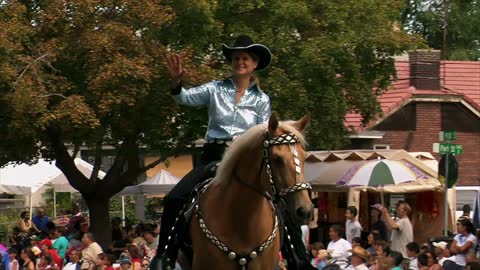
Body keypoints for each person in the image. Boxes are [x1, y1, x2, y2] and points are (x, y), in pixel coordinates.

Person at [155, 35, 314, 269]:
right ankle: (164, 257)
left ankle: (298, 258)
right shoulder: (214, 89)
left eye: (246, 58)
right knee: (175, 198)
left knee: (280, 202)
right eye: (236, 57)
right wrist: (176, 83)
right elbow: (184, 98)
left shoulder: (262, 100)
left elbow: (264, 133)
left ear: (254, 64)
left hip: (245, 160)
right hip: (214, 158)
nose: (240, 61)